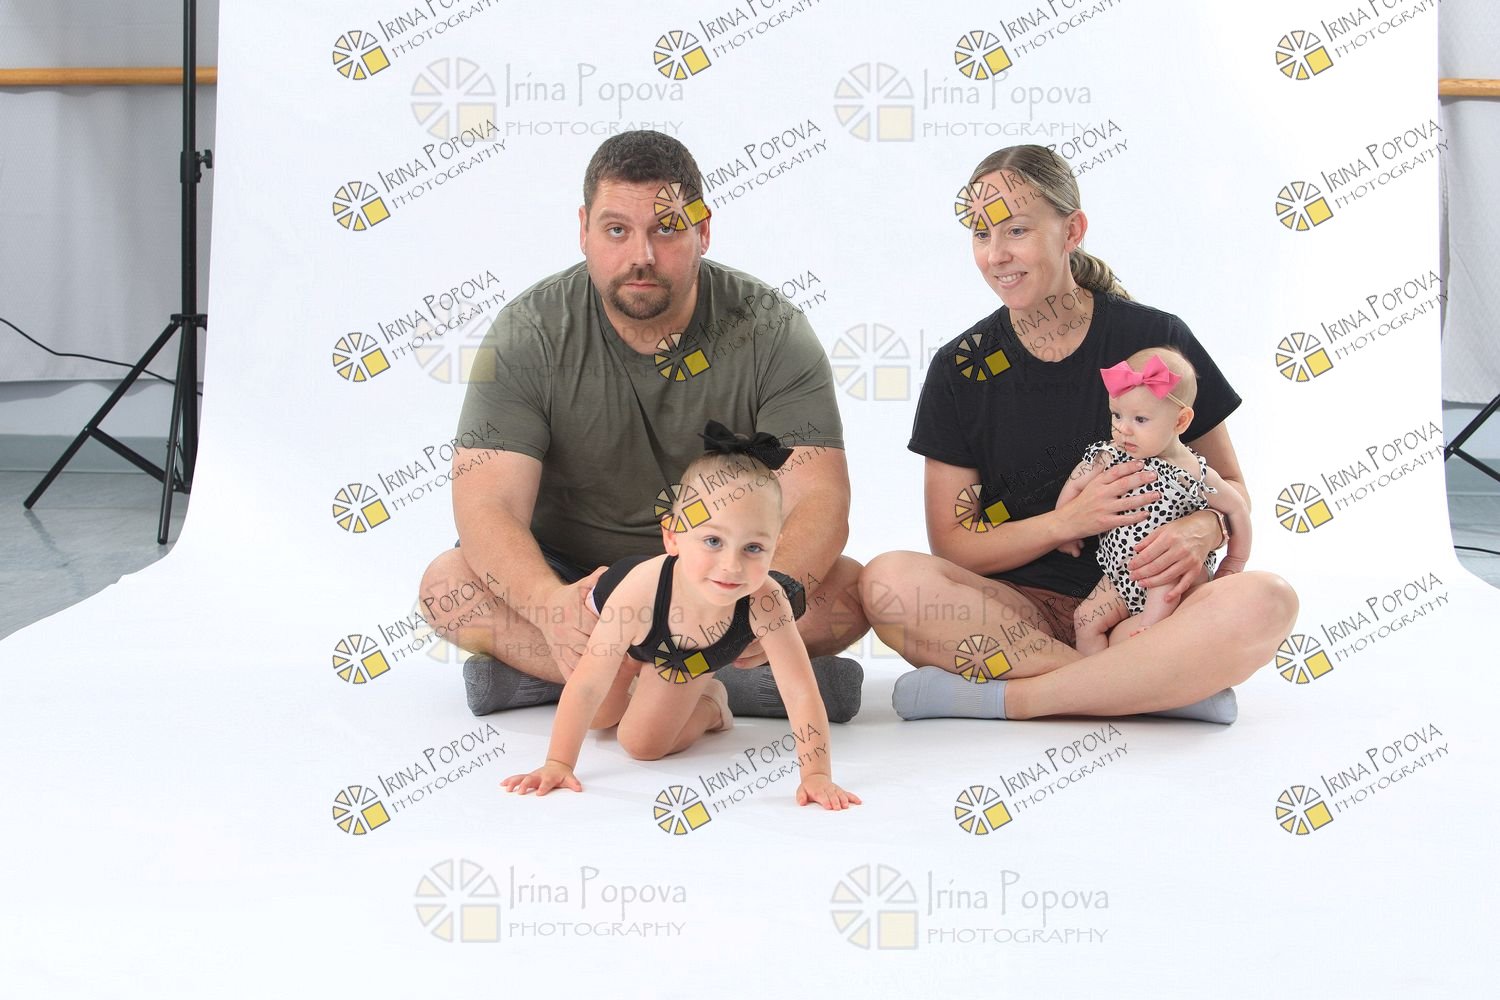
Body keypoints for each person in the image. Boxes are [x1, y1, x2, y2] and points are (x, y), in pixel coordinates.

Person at [416, 131, 867, 723]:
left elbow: (820, 497)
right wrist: (549, 605)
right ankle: (720, 686)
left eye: (667, 229)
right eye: (616, 230)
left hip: (720, 583)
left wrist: (771, 593)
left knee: (850, 593)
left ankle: (578, 683)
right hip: (575, 581)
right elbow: (486, 502)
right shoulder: (527, 333)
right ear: (584, 230)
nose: (642, 255)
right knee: (445, 586)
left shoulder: (772, 329)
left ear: (703, 230)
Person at [859, 144, 1297, 724]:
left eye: (1016, 230)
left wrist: (1201, 528)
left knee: (1269, 600)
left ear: (1072, 231)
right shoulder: (960, 367)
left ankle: (1016, 700)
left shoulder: (1156, 340)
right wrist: (1068, 521)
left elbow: (1232, 487)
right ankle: (1159, 686)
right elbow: (955, 543)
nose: (996, 255)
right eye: (980, 234)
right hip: (1021, 614)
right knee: (888, 581)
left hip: (1155, 607)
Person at [502, 424, 860, 810]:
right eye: (713, 541)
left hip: (690, 656)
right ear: (672, 537)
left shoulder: (766, 601)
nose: (731, 565)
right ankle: (633, 673)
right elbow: (587, 685)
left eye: (754, 547)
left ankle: (712, 702)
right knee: (598, 715)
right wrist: (557, 763)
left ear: (775, 548)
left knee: (642, 744)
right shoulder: (638, 592)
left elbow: (799, 690)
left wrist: (816, 775)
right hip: (627, 630)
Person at [1058, 347, 1252, 654]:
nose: (1123, 428)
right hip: (1124, 573)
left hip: (1169, 567)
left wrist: (1235, 560)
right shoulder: (1111, 454)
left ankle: (1151, 639)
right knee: (1085, 620)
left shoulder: (1192, 472)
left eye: (1140, 419)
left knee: (1157, 614)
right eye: (1117, 415)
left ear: (1180, 422)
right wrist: (1066, 530)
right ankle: (1092, 677)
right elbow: (1076, 481)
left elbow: (1237, 508)